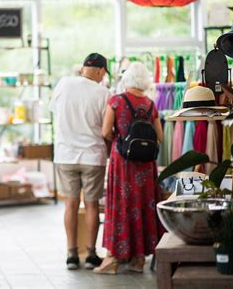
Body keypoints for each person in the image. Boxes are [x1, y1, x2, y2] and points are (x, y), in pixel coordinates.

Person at [96, 62, 164, 275]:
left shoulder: (116, 101)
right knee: (143, 205)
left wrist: (120, 138)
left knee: (122, 204)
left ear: (126, 79)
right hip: (146, 164)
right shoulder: (151, 104)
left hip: (123, 162)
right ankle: (138, 259)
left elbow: (106, 131)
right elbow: (160, 137)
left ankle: (113, 259)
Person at [50, 53, 111, 270]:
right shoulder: (104, 92)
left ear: (84, 67)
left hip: (65, 154)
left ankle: (71, 255)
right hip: (93, 156)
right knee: (92, 204)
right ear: (101, 71)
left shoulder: (64, 83)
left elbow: (55, 111)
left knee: (71, 204)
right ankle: (91, 254)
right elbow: (107, 129)